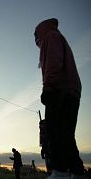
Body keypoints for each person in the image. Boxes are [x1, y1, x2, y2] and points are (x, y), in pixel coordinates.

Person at [34, 18, 86, 178]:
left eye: (36, 36)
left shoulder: (50, 37)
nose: (35, 40)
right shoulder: (57, 36)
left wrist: (48, 88)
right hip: (71, 92)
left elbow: (53, 63)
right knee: (66, 135)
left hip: (59, 91)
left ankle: (60, 172)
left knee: (53, 132)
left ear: (40, 31)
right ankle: (77, 172)